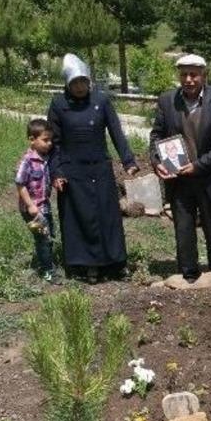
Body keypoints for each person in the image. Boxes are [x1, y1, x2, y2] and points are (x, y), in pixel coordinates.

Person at [48, 54, 139, 281]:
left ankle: (116, 263)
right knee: (80, 217)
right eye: (75, 83)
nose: (80, 87)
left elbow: (116, 132)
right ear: (68, 84)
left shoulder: (101, 101)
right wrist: (57, 172)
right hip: (72, 172)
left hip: (100, 167)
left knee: (107, 215)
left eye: (83, 82)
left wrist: (128, 161)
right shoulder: (59, 105)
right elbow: (54, 143)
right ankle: (87, 265)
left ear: (89, 81)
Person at [149, 54, 211, 283]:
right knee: (184, 230)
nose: (188, 79)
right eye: (184, 74)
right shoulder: (167, 101)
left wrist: (198, 166)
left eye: (193, 75)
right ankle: (188, 275)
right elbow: (157, 135)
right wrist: (157, 161)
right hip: (179, 180)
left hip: (210, 178)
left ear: (204, 76)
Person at [15, 118, 57, 283]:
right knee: (43, 239)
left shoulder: (45, 158)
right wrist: (30, 205)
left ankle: (48, 264)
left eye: (50, 140)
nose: (49, 143)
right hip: (32, 209)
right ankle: (47, 272)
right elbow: (20, 184)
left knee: (49, 235)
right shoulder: (28, 161)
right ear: (32, 140)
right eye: (45, 140)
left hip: (44, 207)